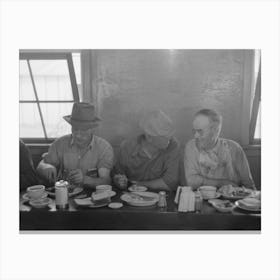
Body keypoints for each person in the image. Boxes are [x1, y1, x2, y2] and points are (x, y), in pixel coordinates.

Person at [36, 102, 114, 188]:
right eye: (75, 129)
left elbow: (106, 181)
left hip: (92, 197)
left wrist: (85, 180)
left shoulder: (104, 148)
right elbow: (41, 165)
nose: (78, 135)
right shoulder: (60, 143)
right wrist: (45, 167)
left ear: (92, 129)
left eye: (83, 130)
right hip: (63, 195)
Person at [184, 109, 255, 189]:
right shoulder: (191, 146)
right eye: (194, 131)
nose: (195, 136)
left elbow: (248, 184)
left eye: (200, 131)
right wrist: (222, 183)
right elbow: (191, 181)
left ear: (215, 130)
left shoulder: (234, 148)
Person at [113, 110, 180, 191]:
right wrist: (119, 181)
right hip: (132, 198)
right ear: (149, 137)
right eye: (164, 136)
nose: (170, 138)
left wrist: (137, 184)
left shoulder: (173, 145)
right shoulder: (128, 147)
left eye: (170, 134)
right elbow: (116, 177)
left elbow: (169, 184)